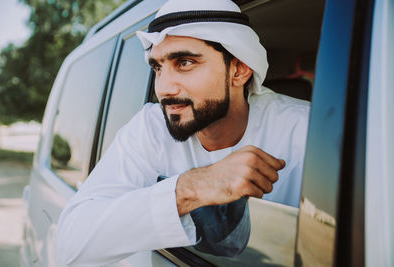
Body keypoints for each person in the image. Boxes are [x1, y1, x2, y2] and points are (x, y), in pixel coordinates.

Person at [57, 0, 310, 265]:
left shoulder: (306, 131)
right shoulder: (151, 128)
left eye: (185, 62)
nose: (164, 88)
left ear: (239, 70)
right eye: (157, 68)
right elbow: (70, 244)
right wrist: (188, 189)